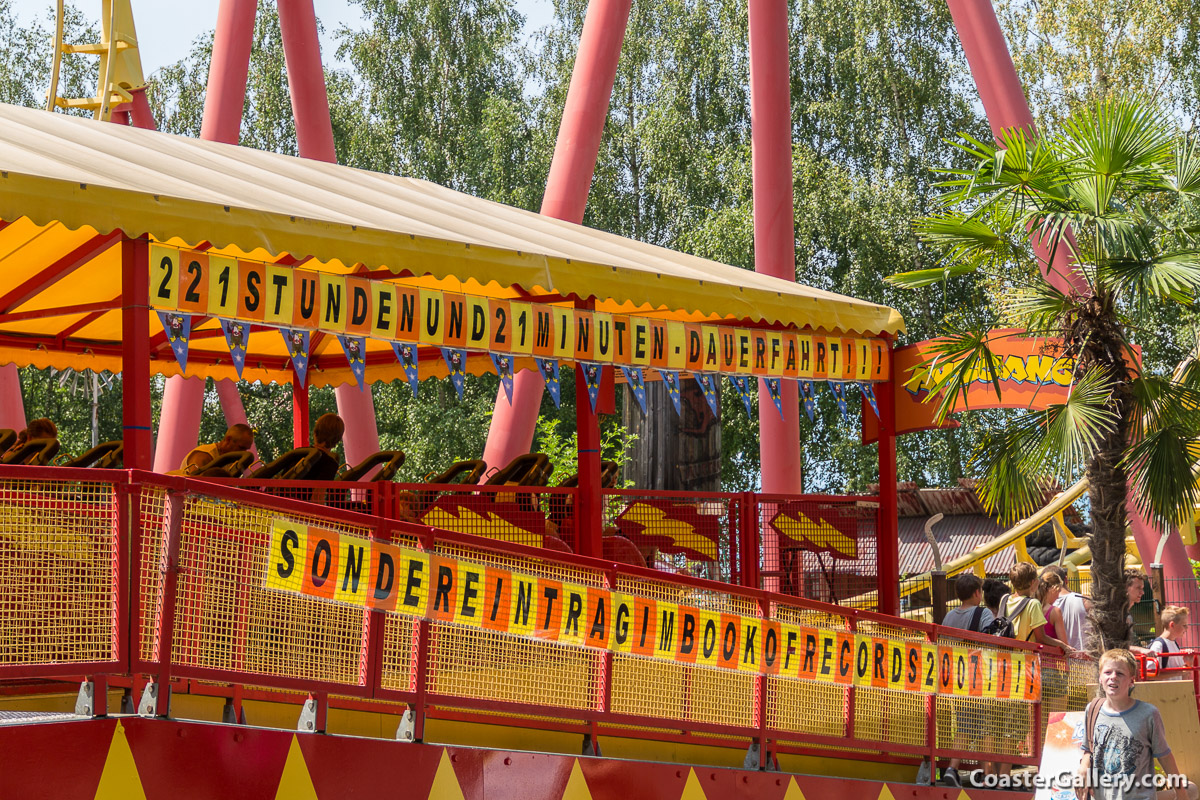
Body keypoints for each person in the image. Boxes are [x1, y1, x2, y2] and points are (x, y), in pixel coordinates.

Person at [1074, 649, 1185, 800]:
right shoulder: (1092, 710)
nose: (1113, 677)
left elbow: (1165, 756)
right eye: (1108, 672)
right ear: (1100, 678)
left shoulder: (1148, 714)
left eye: (1120, 673)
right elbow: (1088, 749)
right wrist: (1082, 769)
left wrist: (1181, 793)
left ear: (1132, 681)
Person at [938, 574, 996, 786]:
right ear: (977, 593)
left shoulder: (949, 617)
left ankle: (957, 769)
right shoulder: (984, 614)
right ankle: (985, 773)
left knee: (964, 723)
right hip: (978, 677)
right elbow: (991, 642)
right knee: (984, 727)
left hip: (955, 678)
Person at [1002, 562, 1074, 652]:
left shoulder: (1005, 599)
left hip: (1005, 656)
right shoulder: (1033, 604)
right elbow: (1041, 638)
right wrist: (1063, 645)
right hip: (1025, 658)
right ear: (1033, 582)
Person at [1043, 564, 1092, 653]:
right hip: (1085, 658)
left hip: (1057, 660)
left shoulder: (1044, 607)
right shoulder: (1085, 601)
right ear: (1066, 580)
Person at [179, 424, 254, 476]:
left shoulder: (231, 461)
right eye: (241, 448)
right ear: (228, 440)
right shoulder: (204, 455)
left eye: (246, 449)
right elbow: (195, 485)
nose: (244, 453)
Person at [1148, 606, 1190, 678]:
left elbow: (1182, 675)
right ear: (1172, 625)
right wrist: (1179, 672)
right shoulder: (1158, 645)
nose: (1187, 628)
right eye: (1184, 625)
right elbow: (1150, 675)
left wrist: (1188, 664)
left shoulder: (1174, 643)